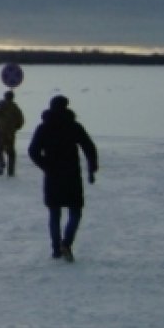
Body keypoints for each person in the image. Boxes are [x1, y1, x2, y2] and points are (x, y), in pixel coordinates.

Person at [27, 95, 99, 262]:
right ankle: (66, 243)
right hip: (72, 175)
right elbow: (89, 147)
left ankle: (56, 249)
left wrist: (45, 165)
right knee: (75, 212)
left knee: (54, 213)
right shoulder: (73, 126)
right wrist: (92, 168)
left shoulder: (43, 127)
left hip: (53, 176)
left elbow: (33, 151)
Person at [0, 91, 25, 176]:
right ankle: (11, 172)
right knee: (11, 153)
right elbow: (21, 120)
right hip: (10, 133)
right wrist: (15, 128)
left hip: (0, 132)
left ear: (4, 97)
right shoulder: (15, 108)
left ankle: (1, 162)